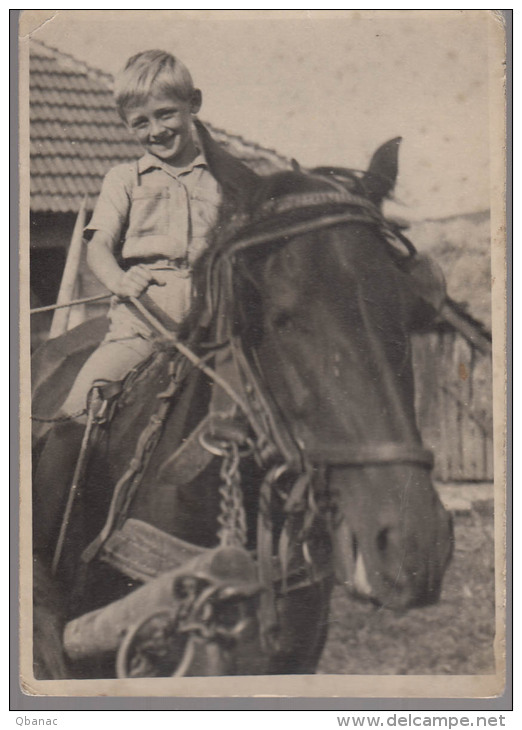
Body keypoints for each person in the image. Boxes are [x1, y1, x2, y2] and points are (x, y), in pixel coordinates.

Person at [34, 50, 258, 558]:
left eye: (165, 115)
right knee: (74, 418)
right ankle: (44, 549)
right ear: (126, 125)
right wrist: (119, 279)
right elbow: (97, 246)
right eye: (140, 122)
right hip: (140, 328)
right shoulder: (124, 180)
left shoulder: (226, 181)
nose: (155, 130)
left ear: (192, 105)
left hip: (215, 331)